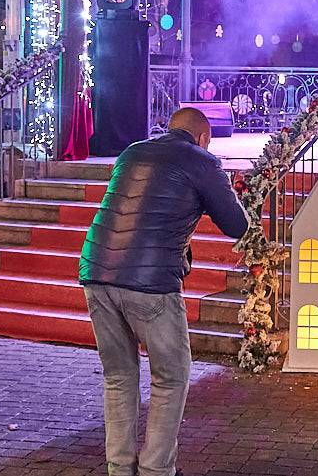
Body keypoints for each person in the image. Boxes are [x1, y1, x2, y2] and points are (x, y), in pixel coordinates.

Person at [79, 108, 248, 476]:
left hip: (96, 269)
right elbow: (237, 225)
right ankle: (157, 469)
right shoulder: (202, 160)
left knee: (119, 376)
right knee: (171, 376)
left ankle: (119, 468)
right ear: (204, 138)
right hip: (151, 281)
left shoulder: (132, 152)